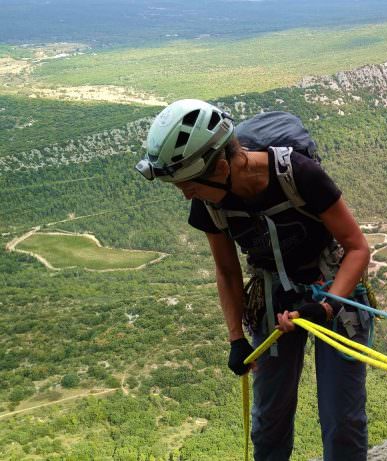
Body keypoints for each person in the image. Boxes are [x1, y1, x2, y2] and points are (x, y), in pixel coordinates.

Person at [134, 99, 372, 461]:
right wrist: (235, 339)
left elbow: (356, 248)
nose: (185, 193)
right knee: (268, 422)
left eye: (188, 183)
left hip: (333, 286)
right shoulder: (208, 202)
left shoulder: (299, 174)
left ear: (223, 165)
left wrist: (326, 306)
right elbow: (227, 270)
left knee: (343, 419)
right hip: (272, 293)